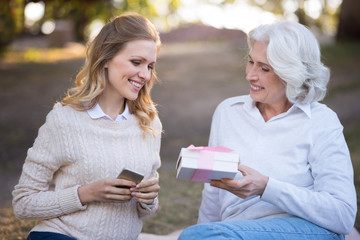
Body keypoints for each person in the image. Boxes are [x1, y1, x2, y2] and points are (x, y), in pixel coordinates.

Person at [179, 21, 357, 240]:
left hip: (306, 230)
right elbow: (213, 194)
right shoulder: (228, 112)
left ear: (292, 73)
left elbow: (343, 215)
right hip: (236, 230)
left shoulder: (321, 121)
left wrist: (266, 187)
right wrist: (203, 233)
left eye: (264, 68)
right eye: (251, 62)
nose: (250, 75)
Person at [12, 12, 162, 240]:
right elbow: (23, 203)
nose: (144, 74)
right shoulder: (65, 119)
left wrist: (149, 198)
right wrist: (85, 194)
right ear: (106, 58)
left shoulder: (149, 124)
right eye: (136, 62)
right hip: (62, 235)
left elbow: (146, 211)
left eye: (150, 66)